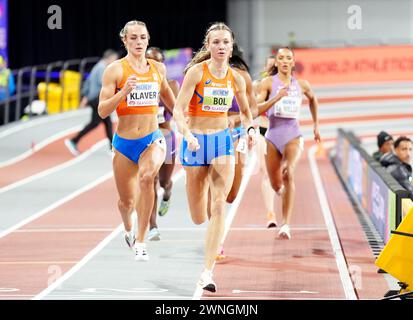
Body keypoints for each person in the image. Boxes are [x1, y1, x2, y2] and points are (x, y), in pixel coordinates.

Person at [173, 22, 256, 292]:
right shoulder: (197, 72)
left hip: (222, 142)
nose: (221, 47)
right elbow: (178, 111)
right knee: (199, 215)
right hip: (195, 142)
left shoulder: (236, 77)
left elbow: (245, 111)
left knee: (220, 204)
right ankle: (205, 200)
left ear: (232, 48)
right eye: (216, 42)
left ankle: (207, 272)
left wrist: (250, 129)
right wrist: (187, 135)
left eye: (225, 42)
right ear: (208, 46)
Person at [98, 20, 176, 261]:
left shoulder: (157, 69)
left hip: (152, 138)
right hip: (124, 142)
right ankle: (129, 229)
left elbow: (170, 99)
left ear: (148, 39)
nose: (138, 42)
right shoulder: (115, 70)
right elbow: (102, 111)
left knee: (147, 178)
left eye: (142, 37)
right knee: (126, 201)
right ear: (125, 41)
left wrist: (185, 123)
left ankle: (142, 240)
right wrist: (123, 93)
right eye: (133, 38)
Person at [256, 47, 321, 240]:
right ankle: (282, 192)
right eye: (281, 58)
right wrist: (276, 98)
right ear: (276, 63)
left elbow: (313, 99)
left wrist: (316, 125)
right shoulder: (267, 83)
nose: (284, 61)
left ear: (293, 63)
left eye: (288, 58)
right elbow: (255, 108)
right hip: (272, 136)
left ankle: (285, 224)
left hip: (293, 134)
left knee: (288, 172)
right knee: (276, 185)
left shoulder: (302, 84)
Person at [145, 47, 180, 241]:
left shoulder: (171, 85)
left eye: (158, 62)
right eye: (150, 60)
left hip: (166, 136)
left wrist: (160, 91)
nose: (154, 65)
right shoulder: (139, 83)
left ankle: (167, 193)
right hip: (146, 137)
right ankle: (153, 227)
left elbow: (175, 111)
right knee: (150, 181)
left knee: (164, 181)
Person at [64, 49, 119, 156]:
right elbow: (104, 83)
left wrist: (85, 97)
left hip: (95, 99)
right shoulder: (102, 68)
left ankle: (111, 147)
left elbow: (88, 82)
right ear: (109, 58)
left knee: (107, 123)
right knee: (95, 123)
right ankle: (74, 140)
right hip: (97, 99)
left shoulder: (97, 67)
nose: (114, 62)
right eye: (114, 59)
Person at [253, 55, 278, 228]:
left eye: (274, 68)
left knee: (280, 175)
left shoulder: (286, 86)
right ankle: (270, 213)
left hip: (280, 132)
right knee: (265, 171)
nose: (271, 70)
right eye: (269, 67)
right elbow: (251, 108)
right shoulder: (257, 85)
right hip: (262, 131)